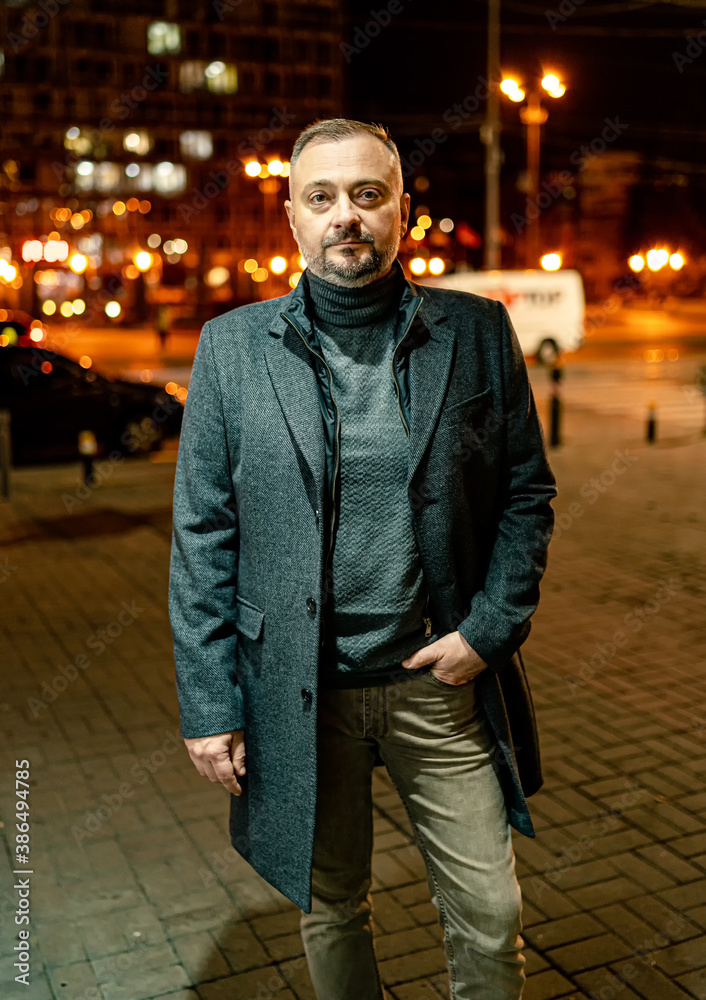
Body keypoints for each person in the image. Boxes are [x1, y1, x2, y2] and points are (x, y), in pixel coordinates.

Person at [169, 118, 557, 1000]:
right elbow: (203, 533)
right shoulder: (232, 348)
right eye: (323, 197)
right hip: (298, 696)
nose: (347, 215)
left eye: (367, 194)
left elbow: (526, 496)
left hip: (439, 682)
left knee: (489, 914)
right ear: (295, 222)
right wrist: (208, 701)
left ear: (402, 212)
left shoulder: (477, 332)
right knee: (332, 905)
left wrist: (488, 632)